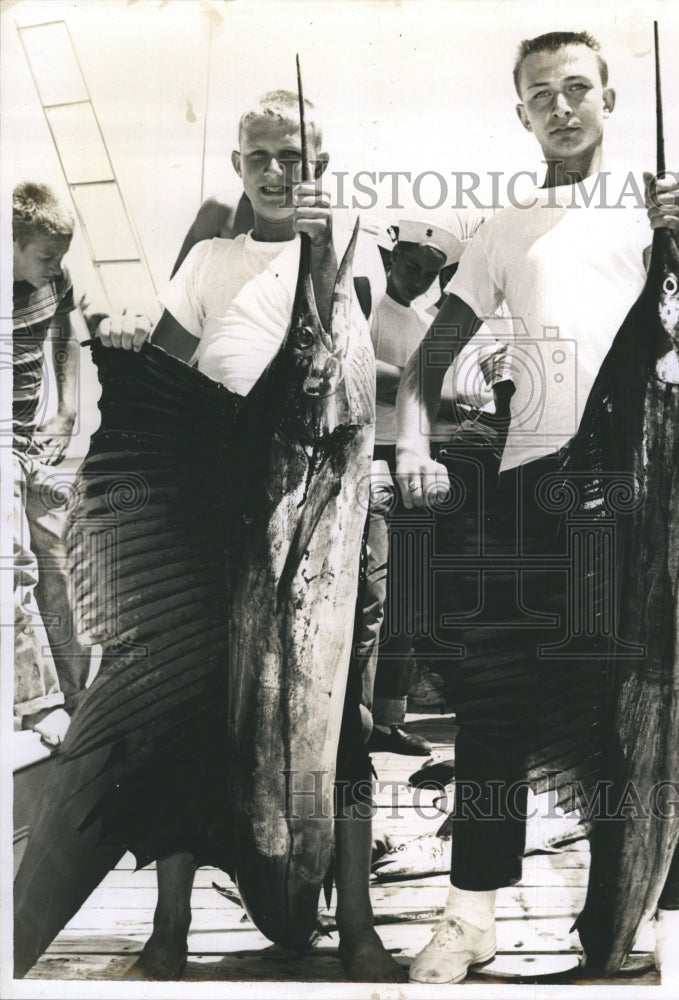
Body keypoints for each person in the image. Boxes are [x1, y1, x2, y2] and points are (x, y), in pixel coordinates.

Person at [394, 31, 679, 983]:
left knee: (622, 711)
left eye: (577, 89)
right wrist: (409, 441)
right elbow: (429, 360)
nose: (560, 107)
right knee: (492, 704)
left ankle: (630, 920)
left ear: (608, 97)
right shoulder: (503, 228)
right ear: (520, 111)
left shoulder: (655, 213)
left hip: (630, 493)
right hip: (526, 485)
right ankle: (471, 913)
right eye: (540, 95)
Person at [94, 89, 403, 982]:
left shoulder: (352, 262)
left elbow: (390, 344)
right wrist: (127, 331)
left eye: (295, 157)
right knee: (191, 710)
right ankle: (170, 928)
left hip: (327, 497)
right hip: (220, 499)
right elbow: (166, 370)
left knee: (340, 717)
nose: (277, 171)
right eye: (260, 156)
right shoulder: (208, 259)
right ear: (238, 168)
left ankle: (357, 927)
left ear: (321, 168)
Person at [359, 220, 464, 757]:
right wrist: (429, 389)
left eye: (430, 273)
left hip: (414, 462)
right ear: (389, 256)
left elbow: (429, 393)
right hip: (368, 459)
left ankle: (390, 716)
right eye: (409, 266)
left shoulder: (431, 320)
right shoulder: (363, 301)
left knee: (407, 594)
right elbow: (361, 371)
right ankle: (357, 721)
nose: (419, 280)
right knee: (372, 594)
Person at [12, 182, 94, 748]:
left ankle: (82, 698)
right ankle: (34, 703)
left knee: (62, 563)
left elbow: (65, 333)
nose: (55, 267)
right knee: (13, 566)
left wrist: (67, 408)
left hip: (34, 442)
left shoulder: (54, 279)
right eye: (45, 257)